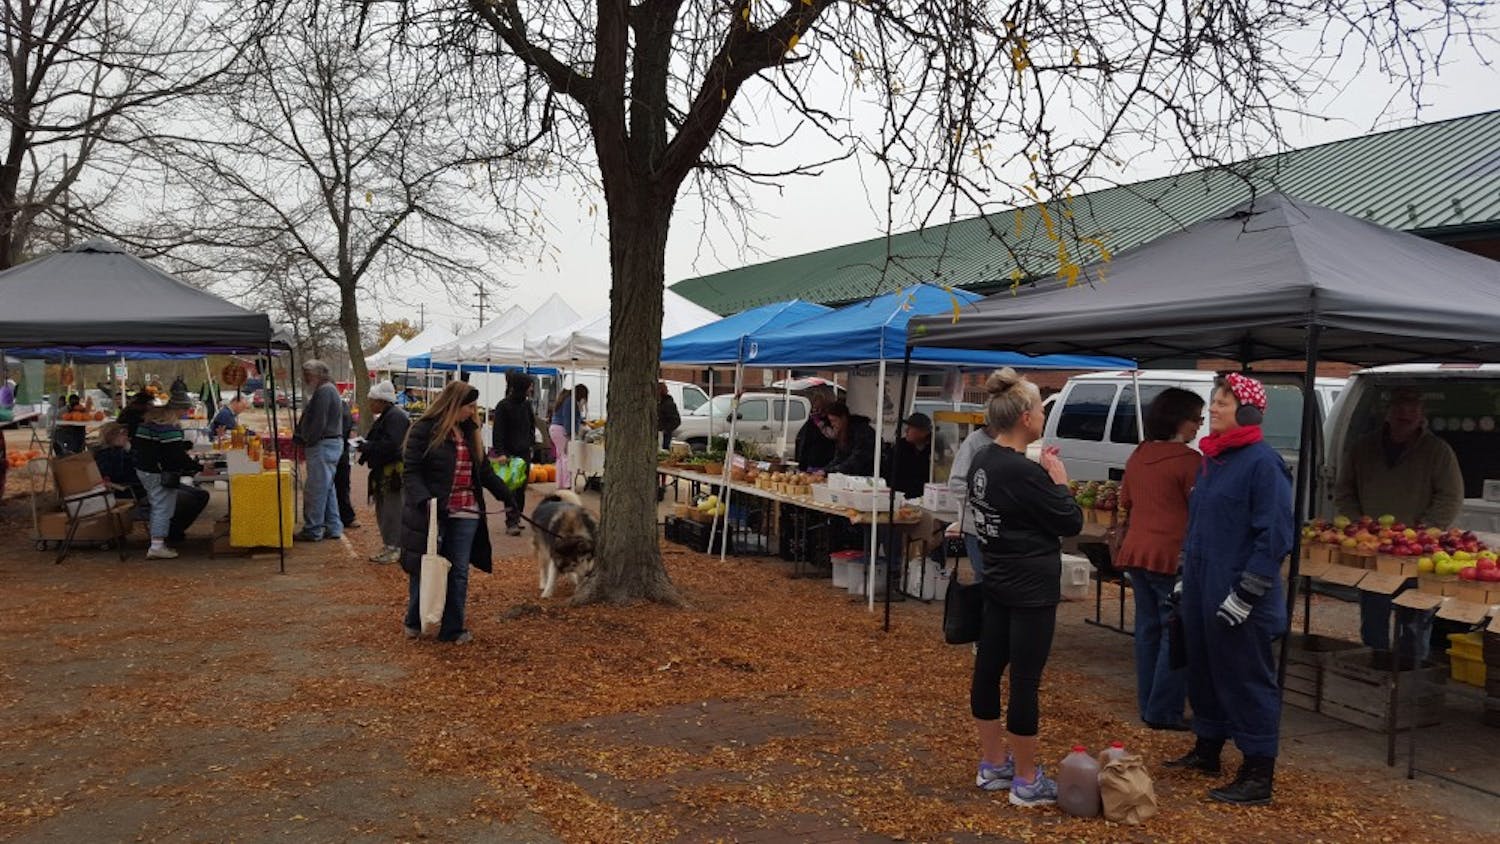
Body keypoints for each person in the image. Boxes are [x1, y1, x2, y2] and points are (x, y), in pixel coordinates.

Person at [1167, 373, 1293, 806]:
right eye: (1214, 400)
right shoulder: (1213, 460)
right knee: (1203, 670)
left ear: (1249, 411)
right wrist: (1184, 576)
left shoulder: (1263, 463)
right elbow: (1199, 525)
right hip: (1203, 588)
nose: (1213, 408)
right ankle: (1207, 749)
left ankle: (1258, 771)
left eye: (1223, 401)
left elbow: (1274, 536)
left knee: (1246, 680)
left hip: (1241, 597)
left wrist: (1247, 593)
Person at [967, 368, 1082, 807]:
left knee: (988, 670)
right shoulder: (1023, 472)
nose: (1042, 415)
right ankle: (1027, 779)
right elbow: (1069, 521)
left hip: (996, 577)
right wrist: (1060, 481)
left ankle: (994, 763)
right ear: (1025, 418)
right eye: (1039, 409)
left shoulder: (983, 458)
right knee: (1024, 680)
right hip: (1031, 585)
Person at [1334, 388, 1464, 660]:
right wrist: (1359, 526)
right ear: (1388, 412)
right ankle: (1375, 667)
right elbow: (1344, 490)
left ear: (1422, 414)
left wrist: (1425, 531)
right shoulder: (1363, 448)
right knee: (1373, 616)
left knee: (1415, 621)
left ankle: (1411, 672)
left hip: (1417, 553)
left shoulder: (1438, 451)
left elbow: (1450, 496)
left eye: (1412, 407)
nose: (1405, 413)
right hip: (1373, 550)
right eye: (1399, 407)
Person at [1115, 387, 1204, 731]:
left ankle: (1149, 704)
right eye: (1196, 419)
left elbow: (1126, 499)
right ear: (1179, 420)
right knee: (1175, 633)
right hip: (1170, 557)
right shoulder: (1190, 462)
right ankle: (1163, 710)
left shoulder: (1139, 454)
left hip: (1136, 551)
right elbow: (1200, 509)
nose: (1199, 426)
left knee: (1147, 630)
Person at [400, 381, 515, 644]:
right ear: (454, 405)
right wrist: (425, 500)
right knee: (426, 567)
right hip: (433, 512)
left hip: (466, 512)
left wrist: (506, 495)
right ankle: (415, 620)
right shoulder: (423, 430)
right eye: (469, 406)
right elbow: (411, 471)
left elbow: (483, 471)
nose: (473, 412)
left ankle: (452, 628)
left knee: (459, 571)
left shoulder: (470, 432)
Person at [132, 393, 210, 559]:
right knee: (162, 507)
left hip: (144, 469)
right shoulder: (168, 427)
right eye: (185, 410)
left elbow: (157, 446)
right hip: (159, 472)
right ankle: (157, 545)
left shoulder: (148, 424)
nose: (186, 413)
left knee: (158, 505)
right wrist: (199, 467)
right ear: (179, 409)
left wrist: (182, 445)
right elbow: (175, 456)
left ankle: (159, 541)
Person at [358, 380, 410, 563]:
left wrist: (368, 446)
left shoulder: (395, 417)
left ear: (381, 401)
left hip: (392, 473)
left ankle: (395, 547)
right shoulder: (390, 416)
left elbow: (392, 445)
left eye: (372, 401)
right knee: (385, 509)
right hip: (386, 471)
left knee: (391, 511)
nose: (369, 405)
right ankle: (390, 544)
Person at [293, 360, 345, 542]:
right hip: (329, 443)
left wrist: (308, 440)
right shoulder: (329, 389)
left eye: (308, 375)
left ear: (318, 374)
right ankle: (333, 526)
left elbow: (318, 422)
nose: (306, 379)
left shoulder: (324, 391)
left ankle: (313, 529)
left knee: (316, 489)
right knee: (326, 488)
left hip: (323, 444)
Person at [946, 421, 997, 579]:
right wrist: (981, 504)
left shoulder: (1012, 442)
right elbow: (956, 483)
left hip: (999, 528)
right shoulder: (974, 442)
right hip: (976, 527)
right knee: (983, 577)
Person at [493, 372, 537, 536]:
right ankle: (511, 520)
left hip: (524, 452)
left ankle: (517, 516)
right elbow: (498, 431)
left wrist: (531, 443)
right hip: (509, 453)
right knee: (511, 489)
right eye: (529, 386)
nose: (531, 389)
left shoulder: (526, 405)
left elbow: (531, 425)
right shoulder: (503, 406)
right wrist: (500, 452)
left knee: (521, 488)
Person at [884, 412, 933, 499]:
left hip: (927, 497)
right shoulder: (899, 447)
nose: (906, 431)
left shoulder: (934, 448)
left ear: (923, 432)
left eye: (910, 428)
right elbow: (888, 472)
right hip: (900, 496)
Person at [822, 401, 877, 476]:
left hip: (865, 476)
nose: (832, 424)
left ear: (843, 418)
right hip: (851, 475)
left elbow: (857, 459)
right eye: (831, 421)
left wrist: (829, 471)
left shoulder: (863, 431)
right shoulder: (842, 433)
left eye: (834, 420)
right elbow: (839, 457)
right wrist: (824, 470)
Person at [549, 385, 588, 486]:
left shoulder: (565, 398)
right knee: (567, 457)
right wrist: (569, 435)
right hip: (562, 430)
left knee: (560, 457)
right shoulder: (570, 401)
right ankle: (567, 483)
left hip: (555, 429)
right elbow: (568, 418)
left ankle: (560, 483)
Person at [794, 385, 837, 470]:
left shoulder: (831, 421)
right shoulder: (813, 420)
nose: (814, 404)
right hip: (811, 464)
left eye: (817, 400)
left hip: (826, 465)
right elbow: (804, 443)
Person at [334, 400, 360, 529]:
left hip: (345, 449)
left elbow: (353, 422)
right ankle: (343, 516)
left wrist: (353, 430)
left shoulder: (344, 405)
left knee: (343, 483)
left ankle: (346, 516)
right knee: (339, 484)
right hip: (337, 448)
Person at [658, 382, 681, 451]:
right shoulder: (659, 403)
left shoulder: (668, 404)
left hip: (664, 436)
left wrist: (665, 430)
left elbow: (676, 421)